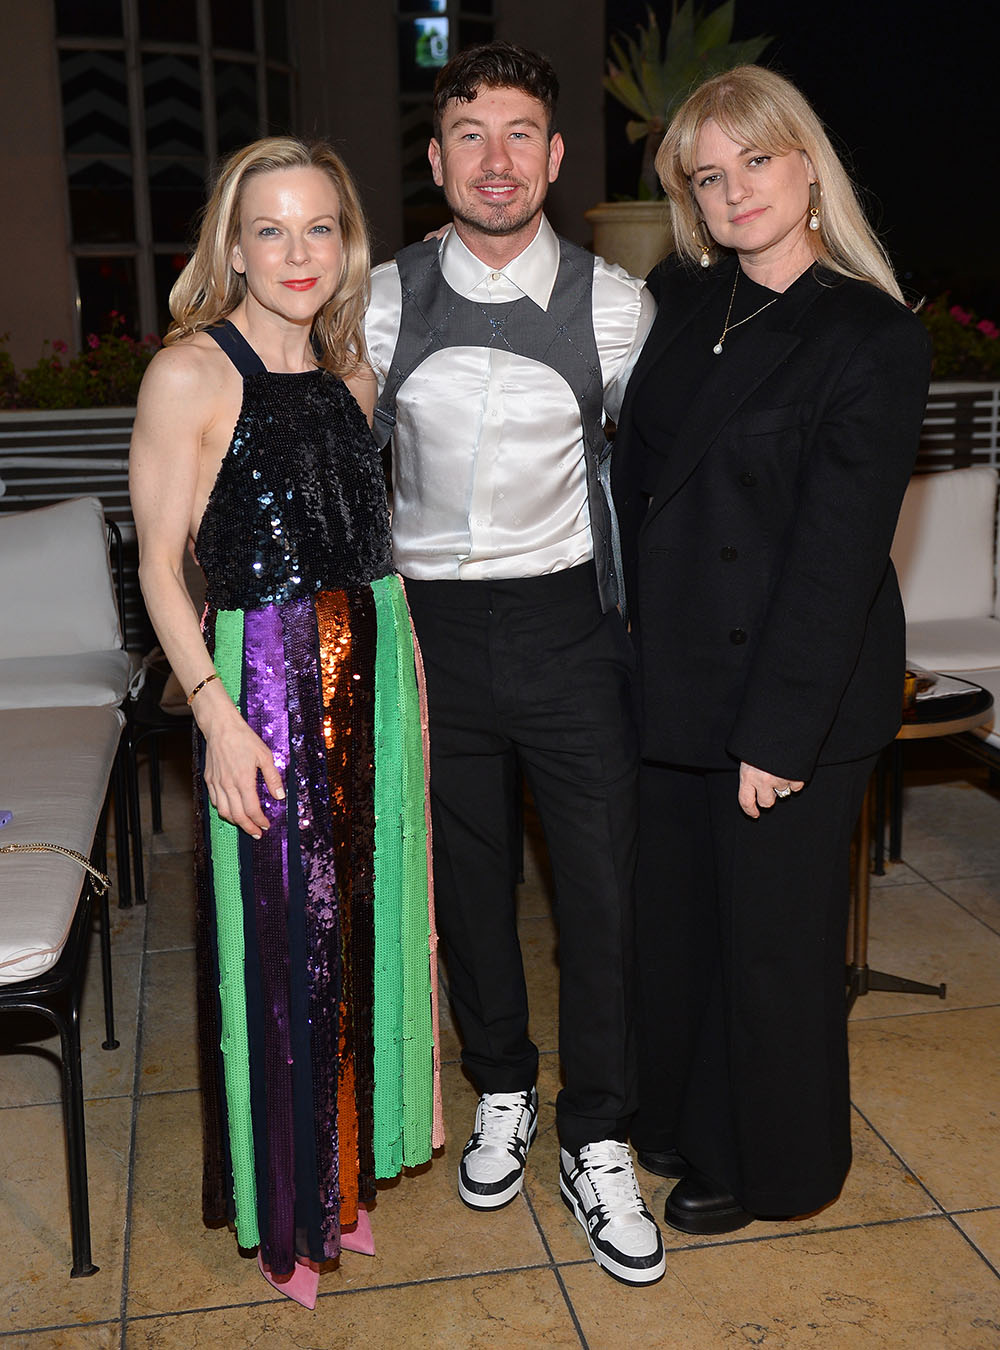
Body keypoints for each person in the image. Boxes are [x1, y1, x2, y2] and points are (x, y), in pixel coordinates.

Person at [612, 65, 932, 1236]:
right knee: (684, 922)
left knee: (771, 950)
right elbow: (637, 481)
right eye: (707, 173)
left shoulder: (869, 333)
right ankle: (688, 1122)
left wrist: (776, 734)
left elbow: (835, 562)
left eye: (755, 160)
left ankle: (777, 1166)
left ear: (806, 165)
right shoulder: (682, 298)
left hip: (792, 689)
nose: (733, 189)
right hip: (675, 674)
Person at [365, 42, 664, 1285]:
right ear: (435, 161)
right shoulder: (376, 301)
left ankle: (598, 1134)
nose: (497, 160)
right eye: (469, 135)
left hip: (568, 630)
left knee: (603, 890)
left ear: (554, 154)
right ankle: (503, 1087)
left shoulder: (615, 304)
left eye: (521, 133)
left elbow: (653, 488)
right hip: (430, 629)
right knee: (464, 884)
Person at [129, 137, 442, 1309]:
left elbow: (374, 554)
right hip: (262, 684)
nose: (298, 252)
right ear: (233, 244)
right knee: (277, 950)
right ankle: (284, 1219)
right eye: (272, 228)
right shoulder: (188, 377)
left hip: (379, 681)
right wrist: (213, 716)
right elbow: (161, 570)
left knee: (360, 935)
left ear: (346, 243)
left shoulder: (353, 376)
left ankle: (343, 1181)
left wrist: (411, 682)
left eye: (320, 228)